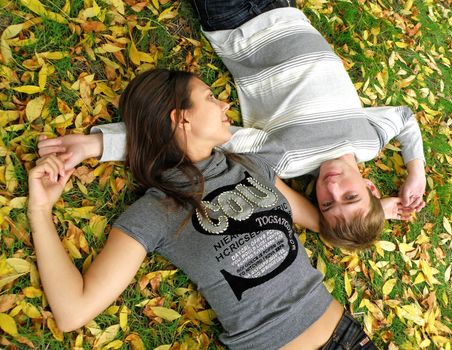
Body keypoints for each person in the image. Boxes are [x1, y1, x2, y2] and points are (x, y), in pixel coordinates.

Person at [29, 67, 380, 348]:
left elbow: (318, 220)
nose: (225, 105)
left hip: (349, 336)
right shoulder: (157, 211)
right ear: (181, 118)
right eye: (211, 97)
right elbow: (72, 311)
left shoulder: (251, 166)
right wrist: (40, 211)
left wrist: (375, 209)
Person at [38, 1, 426, 250]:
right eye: (351, 196)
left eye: (326, 202)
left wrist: (95, 146)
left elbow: (193, 136)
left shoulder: (285, 158)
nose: (333, 187)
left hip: (237, 23)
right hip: (286, 9)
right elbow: (406, 119)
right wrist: (416, 173)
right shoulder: (371, 140)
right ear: (370, 185)